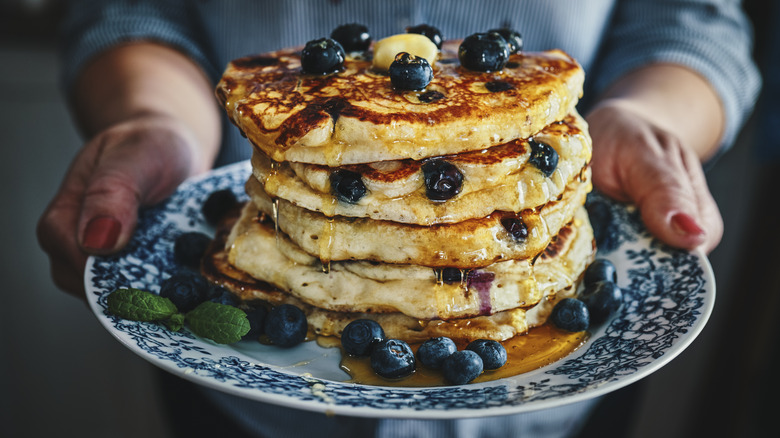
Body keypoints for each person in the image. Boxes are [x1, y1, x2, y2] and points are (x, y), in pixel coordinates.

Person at [37, 1, 760, 437]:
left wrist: (644, 117)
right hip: (244, 408)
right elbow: (127, 9)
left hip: (550, 417)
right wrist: (154, 117)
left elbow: (691, 21)